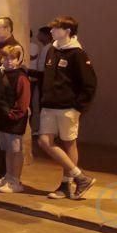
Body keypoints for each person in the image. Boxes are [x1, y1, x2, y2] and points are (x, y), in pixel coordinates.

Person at [36, 15, 97, 200]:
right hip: (49, 105)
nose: (52, 32)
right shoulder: (52, 50)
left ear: (67, 31)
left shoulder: (77, 53)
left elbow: (89, 83)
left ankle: (66, 185)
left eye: (56, 29)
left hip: (67, 107)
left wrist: (78, 107)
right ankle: (80, 177)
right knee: (44, 141)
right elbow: (46, 76)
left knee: (69, 142)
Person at [0, 45, 31, 194]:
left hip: (14, 119)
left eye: (12, 58)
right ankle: (8, 176)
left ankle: (15, 180)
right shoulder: (3, 74)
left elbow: (23, 100)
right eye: (6, 58)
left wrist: (13, 115)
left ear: (18, 59)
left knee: (15, 150)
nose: (9, 61)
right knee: (8, 150)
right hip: (4, 117)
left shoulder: (21, 77)